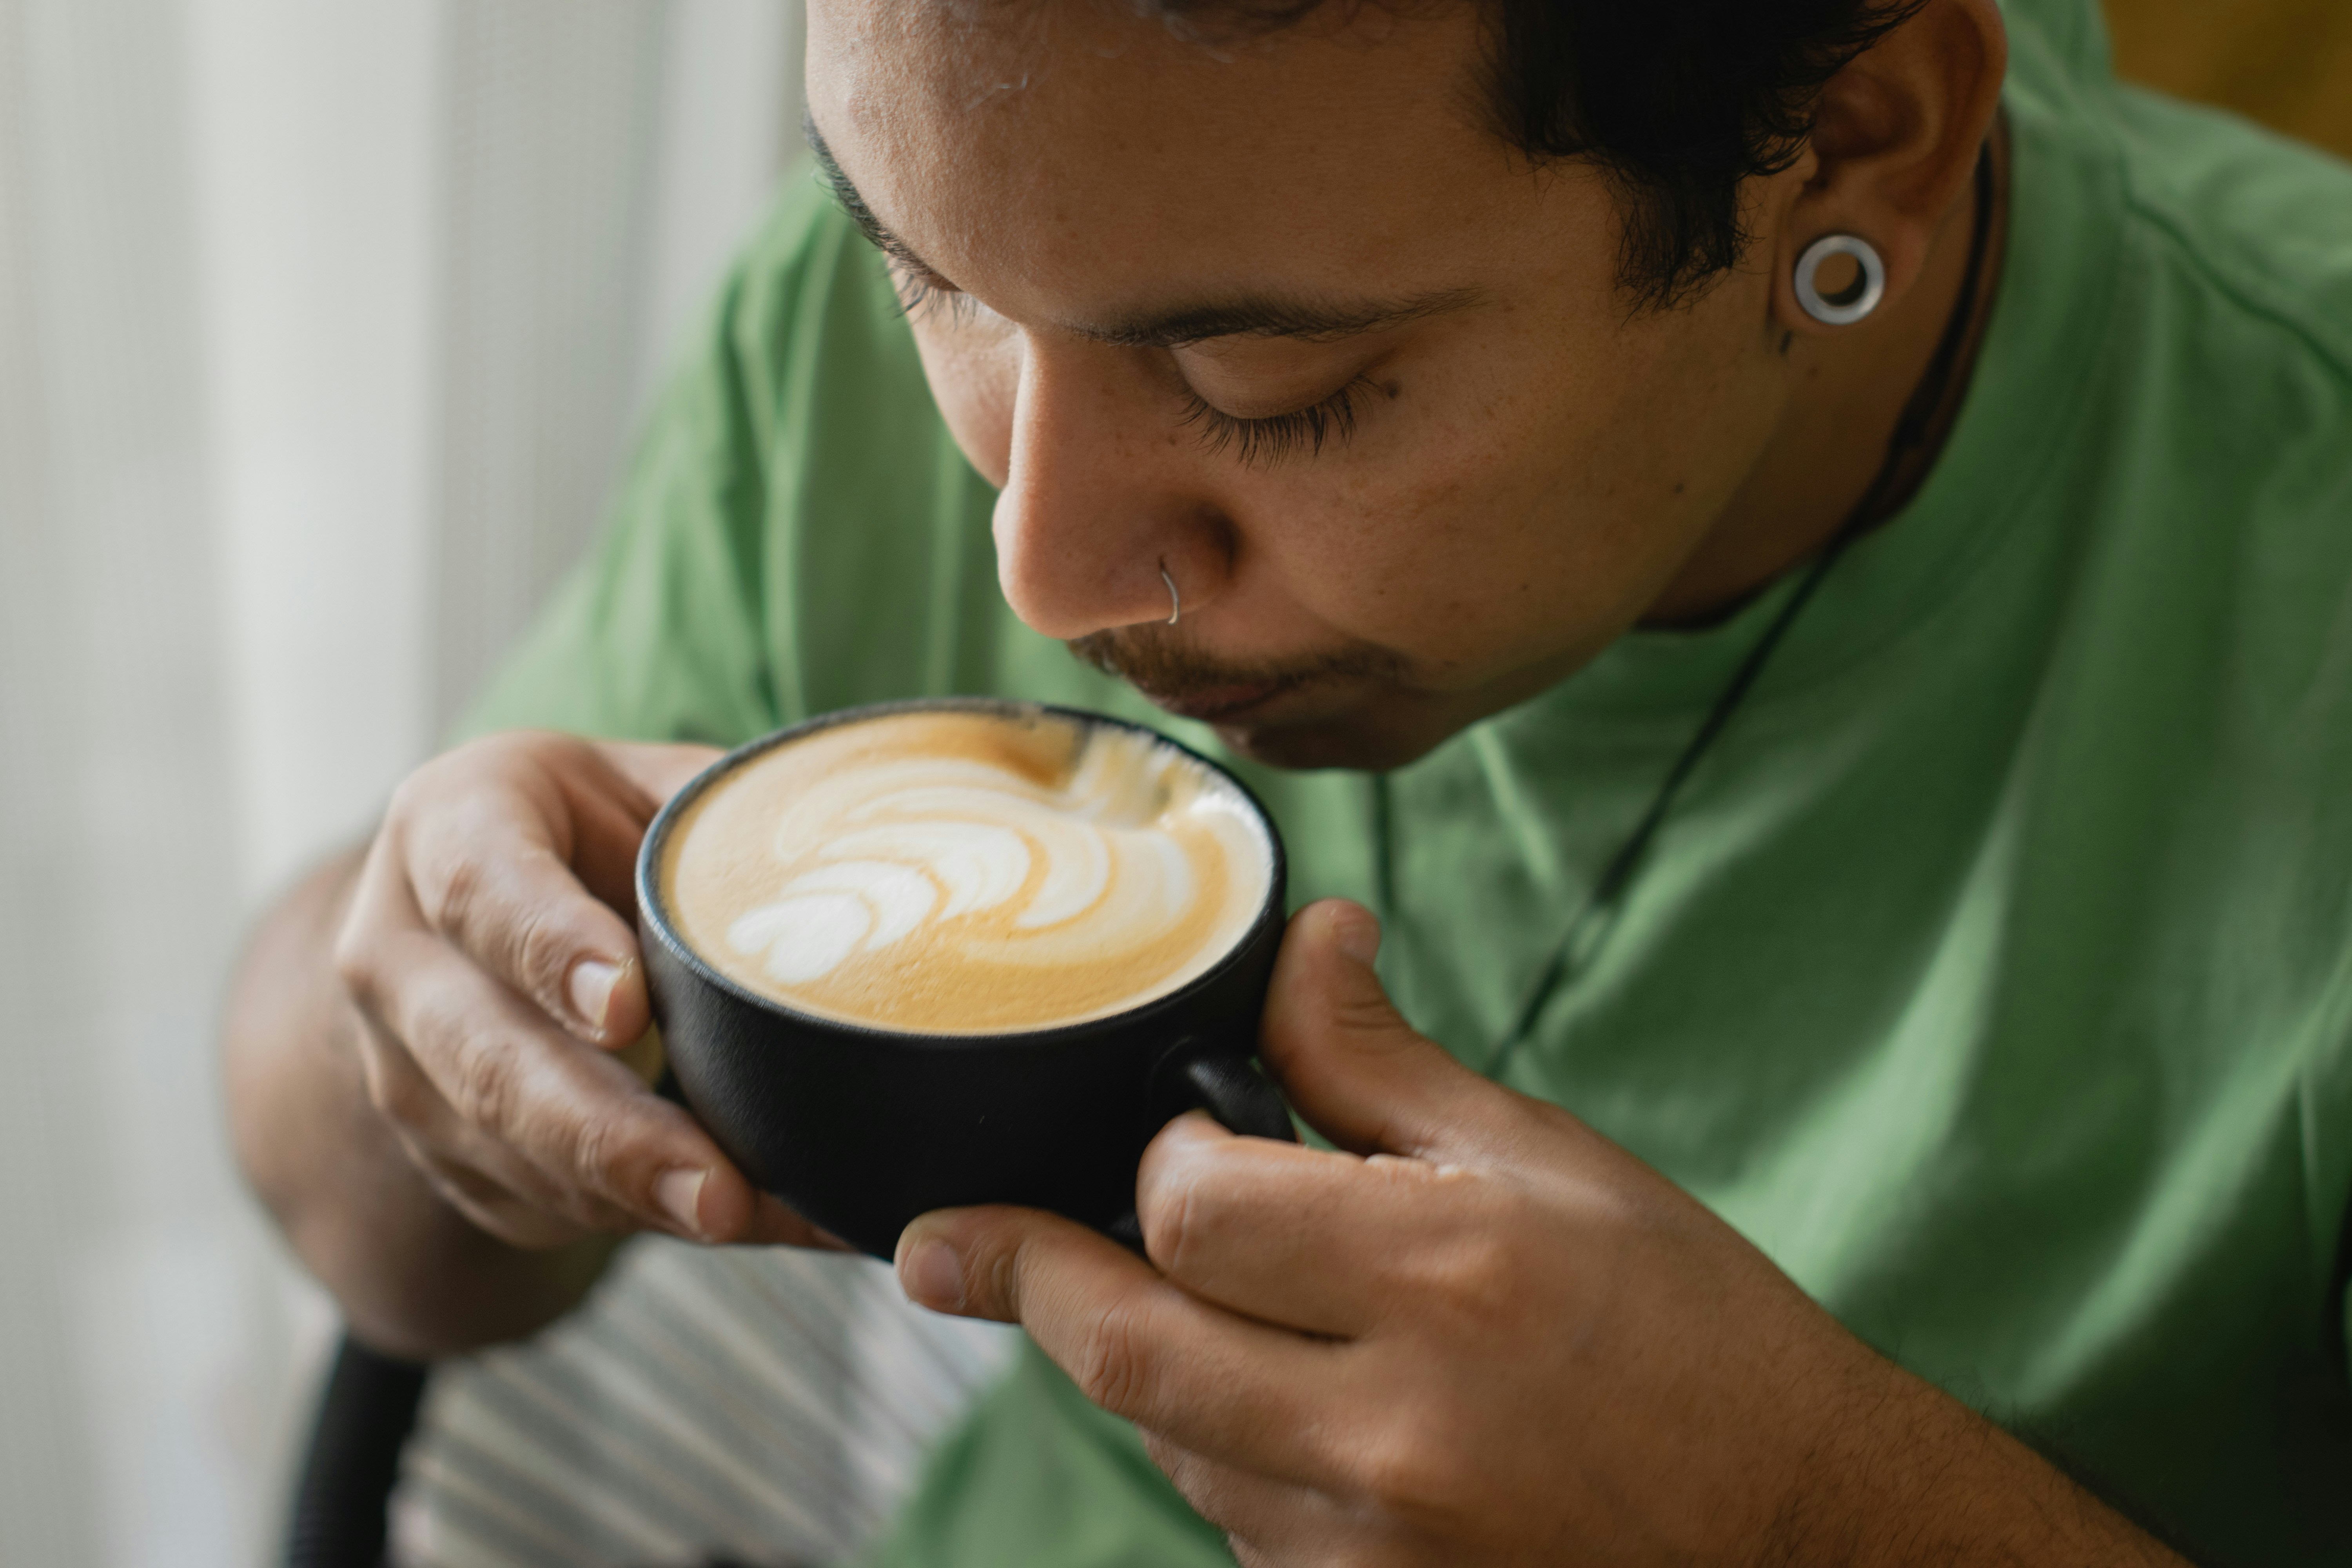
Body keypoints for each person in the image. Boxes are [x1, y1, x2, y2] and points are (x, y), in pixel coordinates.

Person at [221, 0, 2352, 1561]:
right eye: (923, 273)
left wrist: (1805, 1525)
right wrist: (423, 1036)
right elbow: (386, 1252)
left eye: (1274, 385)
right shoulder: (995, 242)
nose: (1033, 569)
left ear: (1860, 146)